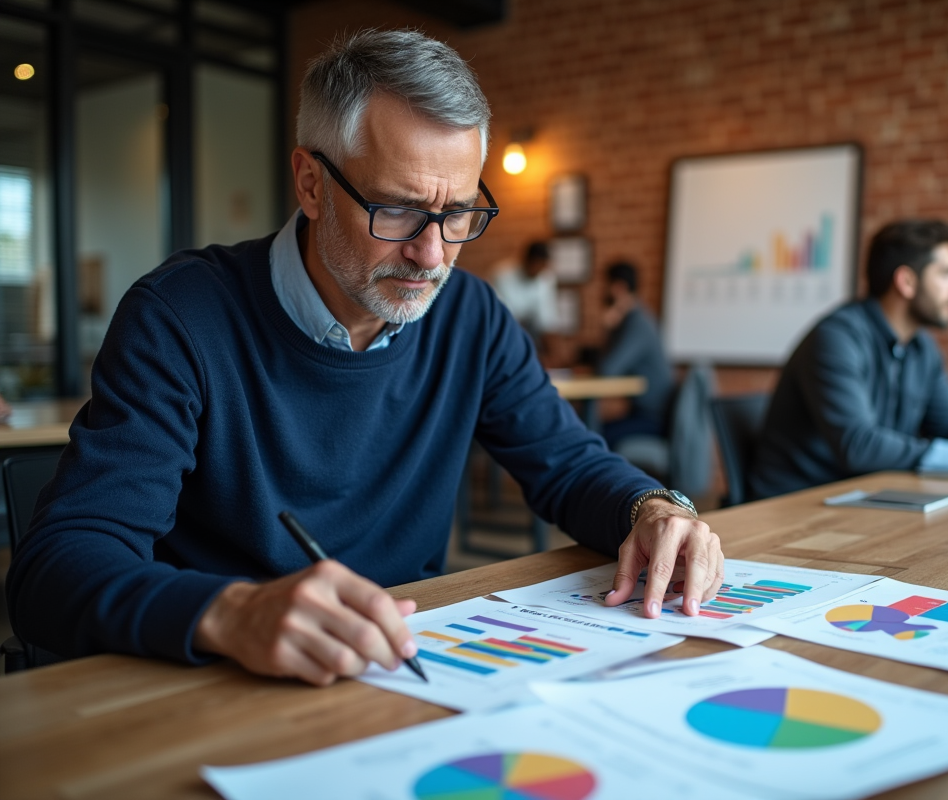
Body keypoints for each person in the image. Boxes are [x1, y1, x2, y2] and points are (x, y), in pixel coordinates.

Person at [8, 30, 723, 687]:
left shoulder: (470, 316)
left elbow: (567, 464)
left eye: (457, 213)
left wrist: (653, 509)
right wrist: (231, 612)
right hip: (219, 684)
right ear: (311, 184)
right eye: (399, 209)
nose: (432, 254)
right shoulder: (179, 318)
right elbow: (55, 569)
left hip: (404, 671)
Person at [747, 219, 948, 499]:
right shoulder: (836, 338)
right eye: (947, 273)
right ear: (906, 282)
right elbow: (857, 446)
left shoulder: (921, 346)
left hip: (861, 496)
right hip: (795, 503)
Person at [595, 261, 673, 449]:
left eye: (606, 285)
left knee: (595, 438)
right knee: (592, 432)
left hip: (653, 418)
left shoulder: (637, 324)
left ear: (618, 288)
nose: (602, 291)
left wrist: (608, 329)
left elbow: (607, 369)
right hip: (643, 413)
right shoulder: (634, 320)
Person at [491, 241, 557, 346]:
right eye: (537, 265)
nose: (539, 270)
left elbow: (546, 318)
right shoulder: (502, 275)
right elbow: (501, 312)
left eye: (543, 266)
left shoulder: (546, 278)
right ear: (527, 260)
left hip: (533, 333)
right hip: (504, 332)